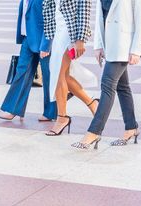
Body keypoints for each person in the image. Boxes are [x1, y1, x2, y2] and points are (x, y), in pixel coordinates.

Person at [72, 0, 141, 149]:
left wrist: (136, 50)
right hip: (110, 44)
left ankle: (94, 132)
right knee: (122, 87)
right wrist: (98, 45)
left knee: (107, 84)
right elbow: (101, 16)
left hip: (123, 45)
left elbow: (140, 19)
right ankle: (131, 127)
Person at [40, 0, 98, 136]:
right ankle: (92, 103)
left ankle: (62, 117)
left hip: (69, 32)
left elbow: (84, 10)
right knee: (63, 75)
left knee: (58, 74)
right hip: (58, 31)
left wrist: (80, 40)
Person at [0, 0, 57, 122]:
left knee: (49, 77)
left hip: (43, 40)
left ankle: (51, 113)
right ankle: (13, 109)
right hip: (28, 38)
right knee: (21, 72)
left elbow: (50, 18)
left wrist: (46, 44)